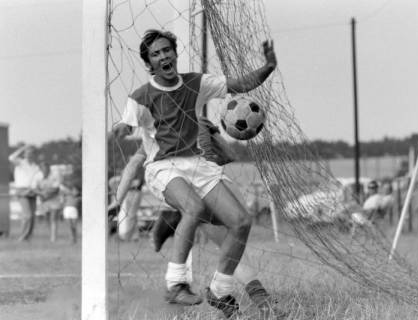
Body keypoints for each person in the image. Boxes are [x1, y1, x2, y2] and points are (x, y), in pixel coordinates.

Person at [114, 28, 277, 316]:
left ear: (174, 54)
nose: (163, 56)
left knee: (240, 222)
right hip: (164, 168)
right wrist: (117, 194)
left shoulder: (195, 84)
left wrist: (268, 67)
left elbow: (239, 84)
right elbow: (126, 133)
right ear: (149, 63)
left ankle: (220, 291)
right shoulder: (141, 99)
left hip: (200, 168)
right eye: (156, 54)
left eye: (167, 50)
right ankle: (176, 283)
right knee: (193, 207)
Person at [113, 132, 284, 319]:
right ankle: (261, 303)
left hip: (201, 189)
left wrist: (117, 201)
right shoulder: (183, 127)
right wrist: (215, 137)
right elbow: (229, 155)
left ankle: (243, 302)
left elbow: (132, 165)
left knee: (232, 244)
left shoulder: (160, 132)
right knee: (233, 245)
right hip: (207, 190)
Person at [9, 145, 42, 241]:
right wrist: (22, 148)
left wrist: (34, 189)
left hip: (32, 191)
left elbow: (36, 179)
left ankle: (28, 236)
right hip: (22, 190)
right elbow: (11, 158)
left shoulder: (35, 166)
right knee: (27, 215)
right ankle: (22, 236)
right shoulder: (20, 163)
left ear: (34, 154)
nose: (30, 155)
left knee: (33, 216)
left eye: (31, 153)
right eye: (28, 153)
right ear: (25, 154)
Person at [36, 161, 63, 242]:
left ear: (49, 168)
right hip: (44, 200)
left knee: (53, 218)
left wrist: (46, 195)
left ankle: (53, 238)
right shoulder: (38, 176)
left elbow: (56, 188)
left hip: (54, 200)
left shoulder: (55, 175)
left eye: (46, 168)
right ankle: (51, 235)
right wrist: (41, 194)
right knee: (47, 218)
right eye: (43, 169)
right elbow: (35, 188)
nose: (45, 170)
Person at [60, 178, 80, 244]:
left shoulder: (78, 198)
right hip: (67, 210)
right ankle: (71, 239)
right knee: (69, 226)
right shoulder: (66, 196)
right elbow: (62, 202)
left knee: (74, 226)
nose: (75, 191)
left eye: (76, 190)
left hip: (74, 211)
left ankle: (74, 238)